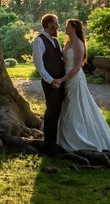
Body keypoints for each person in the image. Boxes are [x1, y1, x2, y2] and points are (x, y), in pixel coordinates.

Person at [51, 18, 110, 153]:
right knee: (68, 106)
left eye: (67, 26)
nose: (65, 28)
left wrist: (61, 79)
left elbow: (77, 67)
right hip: (67, 78)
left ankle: (82, 139)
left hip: (75, 79)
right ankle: (67, 139)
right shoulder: (68, 43)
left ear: (74, 28)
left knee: (76, 106)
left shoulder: (78, 44)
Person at [31, 13, 66, 154]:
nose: (57, 26)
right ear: (48, 24)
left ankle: (56, 140)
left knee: (58, 110)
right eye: (55, 23)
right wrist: (51, 81)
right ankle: (49, 144)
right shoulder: (39, 41)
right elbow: (39, 65)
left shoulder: (55, 41)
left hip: (60, 81)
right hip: (51, 82)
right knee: (51, 111)